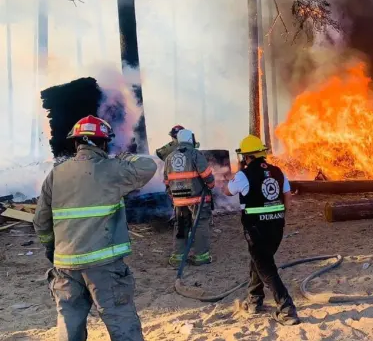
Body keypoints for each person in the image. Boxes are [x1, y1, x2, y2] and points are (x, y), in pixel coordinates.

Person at [33, 115, 158, 341]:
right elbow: (148, 165)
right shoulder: (112, 169)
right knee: (121, 320)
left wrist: (51, 248)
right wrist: (122, 157)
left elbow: (41, 220)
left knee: (69, 324)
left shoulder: (56, 174)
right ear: (103, 143)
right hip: (104, 267)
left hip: (65, 265)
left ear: (75, 143)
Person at [224, 135, 300, 326]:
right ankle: (255, 300)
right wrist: (278, 214)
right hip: (276, 227)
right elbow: (288, 197)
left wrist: (238, 174)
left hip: (256, 228)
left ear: (247, 156)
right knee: (259, 260)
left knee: (266, 267)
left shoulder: (244, 175)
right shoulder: (278, 171)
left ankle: (286, 309)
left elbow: (227, 191)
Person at [164, 129, 215, 267]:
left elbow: (166, 180)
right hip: (196, 198)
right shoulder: (195, 154)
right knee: (200, 224)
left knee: (181, 225)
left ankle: (178, 257)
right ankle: (201, 256)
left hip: (179, 200)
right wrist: (211, 185)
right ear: (191, 140)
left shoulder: (169, 157)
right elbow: (206, 174)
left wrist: (173, 195)